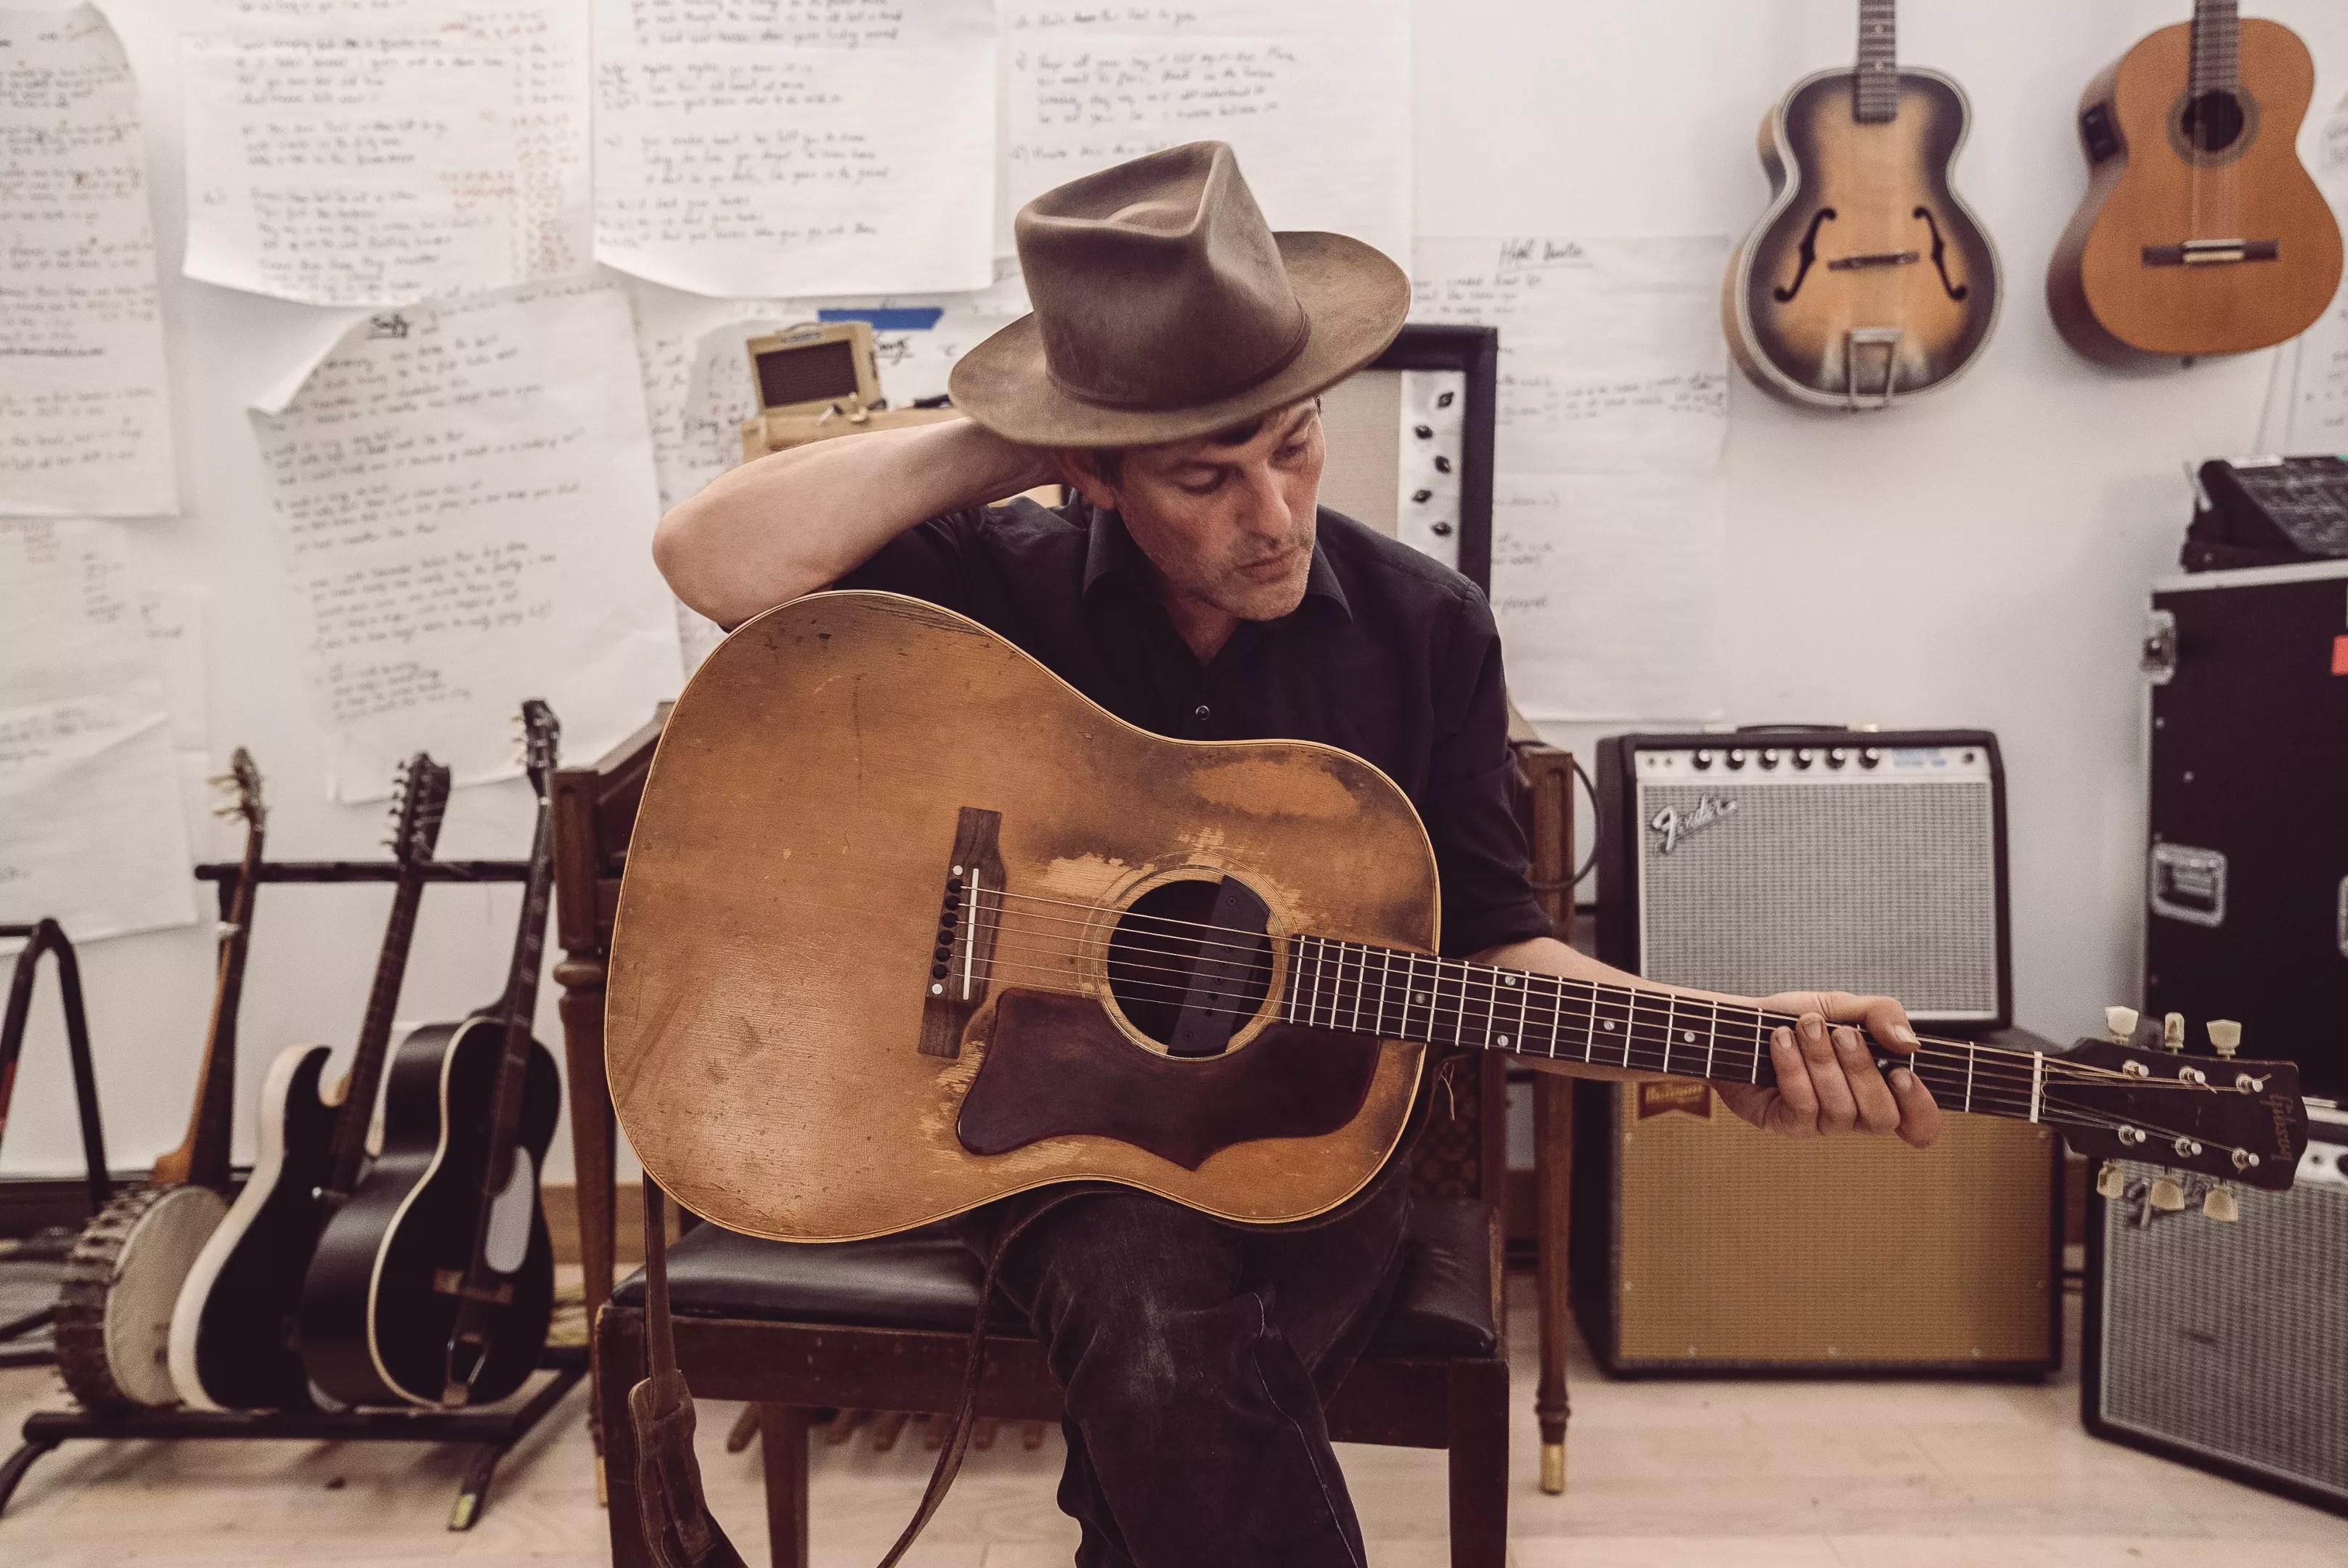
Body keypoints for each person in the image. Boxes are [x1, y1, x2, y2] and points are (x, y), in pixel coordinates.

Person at [653, 141, 1941, 1568]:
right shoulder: (993, 578)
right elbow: (713, 560)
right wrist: (1016, 434)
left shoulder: (1425, 629)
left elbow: (1496, 950)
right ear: (1091, 472)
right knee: (1149, 1308)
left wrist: (1716, 1035)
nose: (1272, 517)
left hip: (1312, 1146)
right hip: (1025, 1135)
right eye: (1204, 478)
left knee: (1173, 1368)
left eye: (1294, 443)